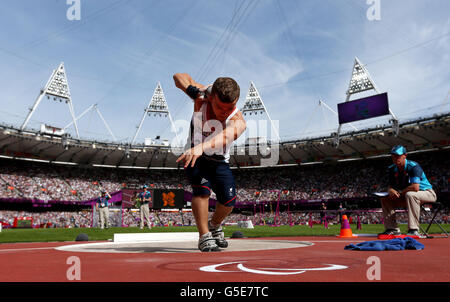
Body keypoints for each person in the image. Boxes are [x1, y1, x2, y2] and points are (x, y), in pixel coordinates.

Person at [173, 73, 247, 252]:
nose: (225, 112)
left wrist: (203, 146)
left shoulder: (237, 119)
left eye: (230, 107)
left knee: (229, 201)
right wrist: (191, 89)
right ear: (211, 98)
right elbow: (178, 77)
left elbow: (227, 135)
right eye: (221, 108)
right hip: (195, 155)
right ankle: (204, 235)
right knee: (201, 192)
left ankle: (214, 225)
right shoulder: (202, 97)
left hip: (219, 159)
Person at [379, 145, 437, 236]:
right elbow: (391, 186)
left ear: (405, 155)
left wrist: (400, 192)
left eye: (398, 156)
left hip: (427, 193)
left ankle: (413, 229)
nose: (395, 158)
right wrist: (390, 190)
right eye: (393, 156)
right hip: (407, 195)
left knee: (411, 194)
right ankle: (392, 229)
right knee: (385, 198)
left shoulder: (413, 166)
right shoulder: (392, 169)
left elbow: (415, 187)